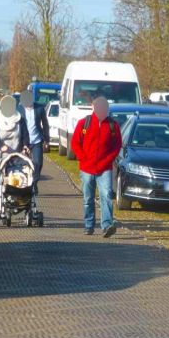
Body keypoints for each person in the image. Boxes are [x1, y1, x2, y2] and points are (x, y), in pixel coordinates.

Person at [71, 96, 121, 237]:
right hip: (87, 168)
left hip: (105, 168)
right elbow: (75, 143)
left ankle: (107, 226)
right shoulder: (84, 123)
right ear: (93, 107)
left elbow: (117, 146)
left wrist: (108, 160)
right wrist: (83, 158)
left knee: (106, 196)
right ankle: (89, 225)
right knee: (88, 198)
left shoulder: (113, 125)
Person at [0, 95, 30, 180]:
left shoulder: (20, 119)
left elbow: (25, 136)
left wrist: (25, 146)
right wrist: (1, 146)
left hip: (17, 155)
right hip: (0, 155)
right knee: (1, 180)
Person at [18, 90, 50, 192]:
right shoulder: (18, 109)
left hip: (36, 140)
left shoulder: (39, 108)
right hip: (23, 142)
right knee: (22, 164)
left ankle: (34, 183)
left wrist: (46, 139)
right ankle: (24, 184)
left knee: (38, 163)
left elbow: (45, 124)